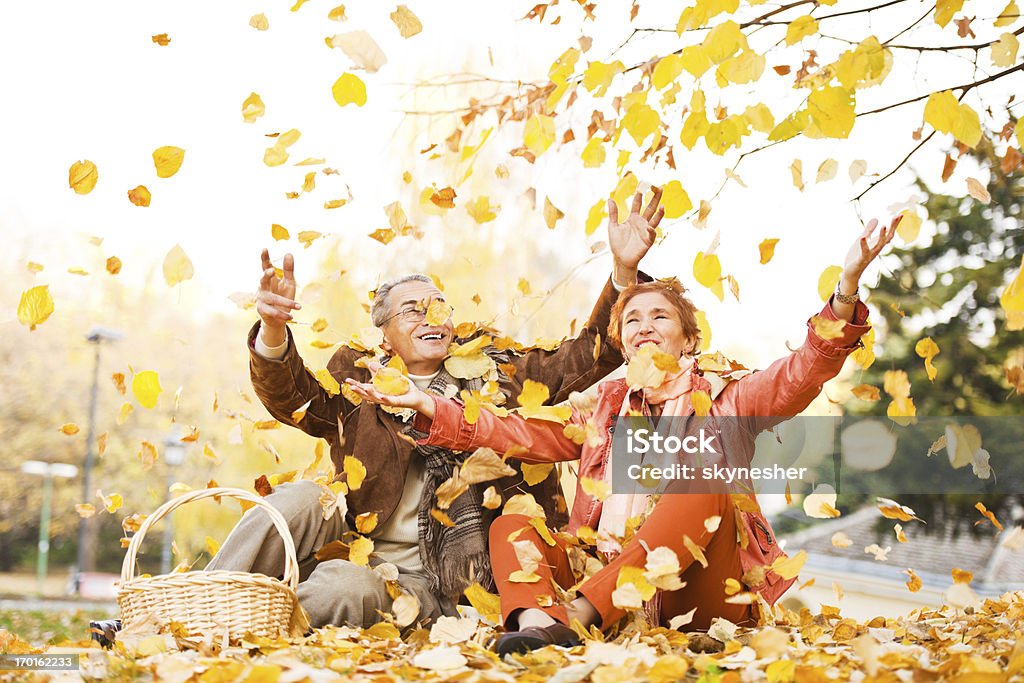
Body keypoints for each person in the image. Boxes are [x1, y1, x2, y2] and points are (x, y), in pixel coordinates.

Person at [346, 215, 900, 653]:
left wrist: (846, 290)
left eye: (660, 317)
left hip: (700, 595)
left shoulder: (730, 398)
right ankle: (537, 624)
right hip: (603, 570)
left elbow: (803, 371)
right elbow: (512, 429)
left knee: (703, 485)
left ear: (687, 340)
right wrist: (428, 404)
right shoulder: (604, 410)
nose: (643, 327)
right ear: (626, 344)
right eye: (632, 321)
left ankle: (578, 618)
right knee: (517, 518)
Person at [197, 189, 666, 631]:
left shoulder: (497, 372)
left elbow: (588, 355)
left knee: (339, 589)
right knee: (297, 498)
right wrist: (273, 328)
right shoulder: (358, 374)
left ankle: (247, 627)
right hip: (357, 540)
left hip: (434, 580)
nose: (430, 317)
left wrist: (623, 274)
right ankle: (192, 607)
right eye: (412, 311)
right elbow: (293, 399)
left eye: (437, 306)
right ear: (385, 334)